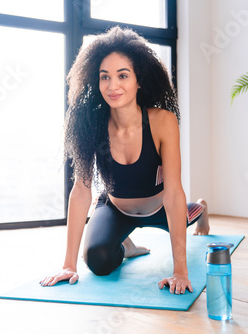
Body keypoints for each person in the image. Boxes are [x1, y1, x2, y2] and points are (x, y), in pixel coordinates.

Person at [40, 27, 210, 294]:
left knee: (185, 211)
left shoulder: (162, 121)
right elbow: (81, 192)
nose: (113, 86)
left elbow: (174, 193)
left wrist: (180, 271)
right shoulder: (91, 124)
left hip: (160, 208)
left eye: (122, 75)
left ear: (138, 80)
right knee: (99, 261)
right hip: (116, 209)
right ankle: (126, 245)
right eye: (104, 77)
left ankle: (200, 209)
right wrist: (68, 266)